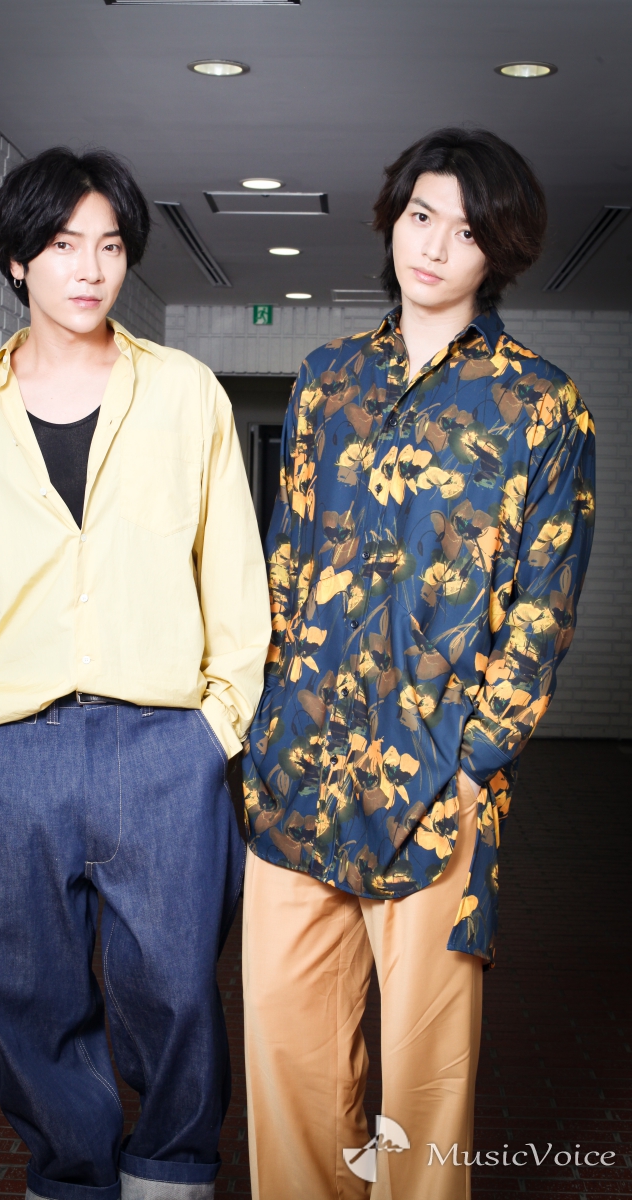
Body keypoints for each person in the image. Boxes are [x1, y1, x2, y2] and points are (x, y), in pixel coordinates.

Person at [0, 146, 270, 1200]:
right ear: (17, 260)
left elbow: (232, 571)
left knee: (175, 992)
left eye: (109, 246)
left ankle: (171, 1173)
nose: (89, 268)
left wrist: (215, 726)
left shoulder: (185, 394)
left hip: (163, 746)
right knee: (23, 994)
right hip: (12, 750)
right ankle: (68, 1178)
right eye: (63, 245)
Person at [241, 128, 595, 1200]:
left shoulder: (542, 405)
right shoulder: (328, 379)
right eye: (420, 216)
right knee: (284, 1053)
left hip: (434, 789)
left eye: (466, 230)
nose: (435, 246)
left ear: (501, 251)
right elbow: (286, 560)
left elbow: (543, 609)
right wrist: (265, 726)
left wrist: (471, 762)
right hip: (297, 772)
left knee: (422, 1085)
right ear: (392, 221)